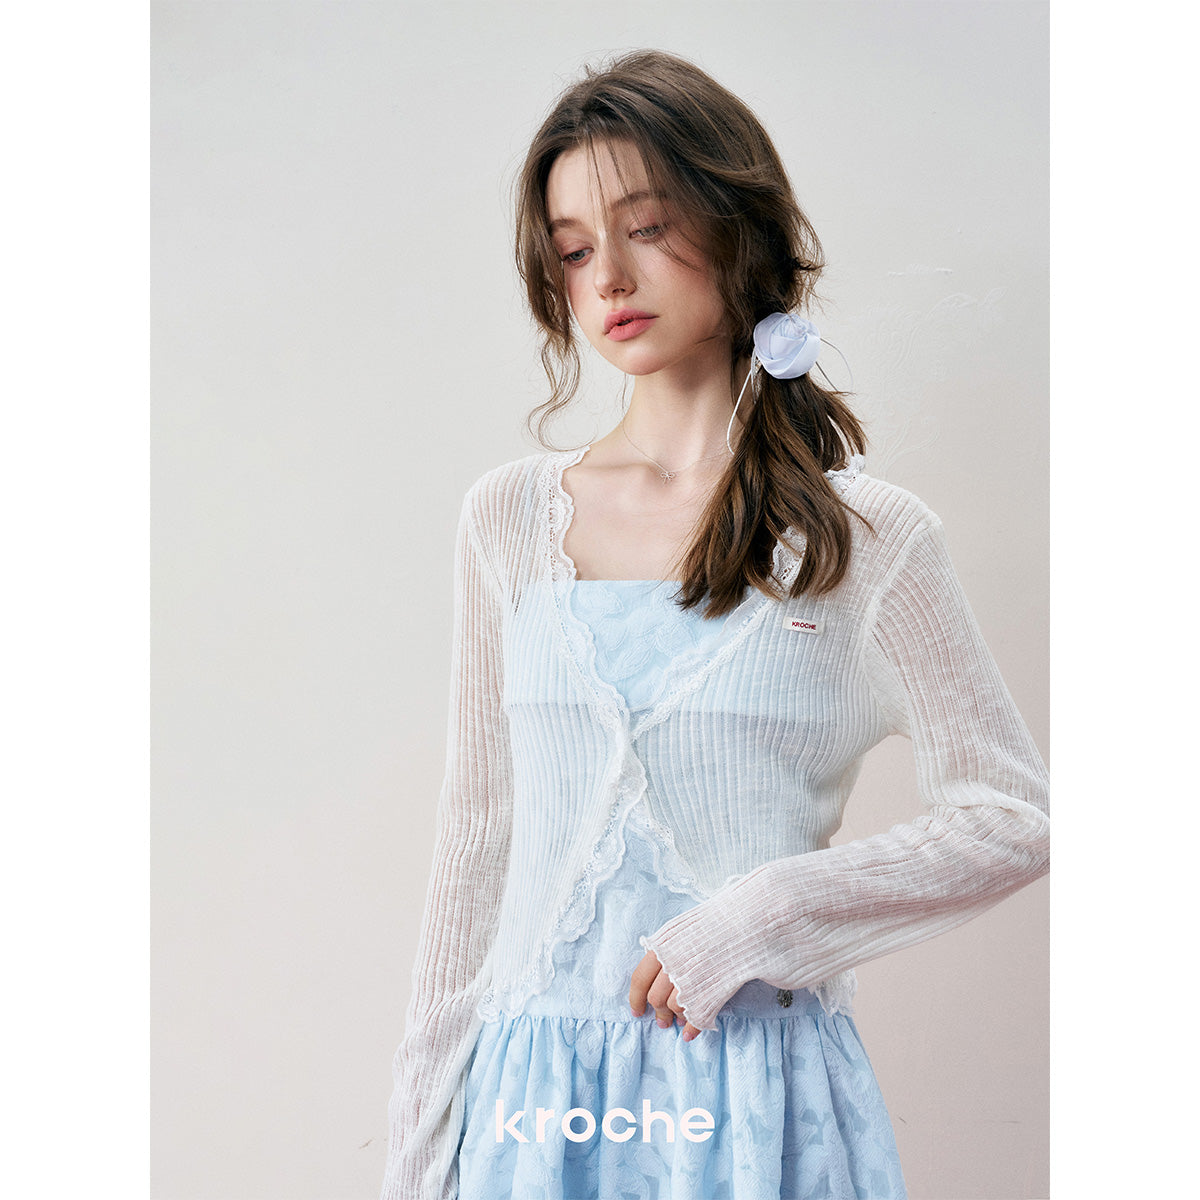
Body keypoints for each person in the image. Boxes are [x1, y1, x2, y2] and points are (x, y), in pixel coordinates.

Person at [380, 49, 1049, 1200]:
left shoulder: (866, 542)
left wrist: (769, 915)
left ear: (737, 227)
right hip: (535, 1118)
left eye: (646, 227)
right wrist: (414, 1163)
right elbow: (474, 854)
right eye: (574, 250)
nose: (609, 276)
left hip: (752, 1115)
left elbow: (1013, 818)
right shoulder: (508, 523)